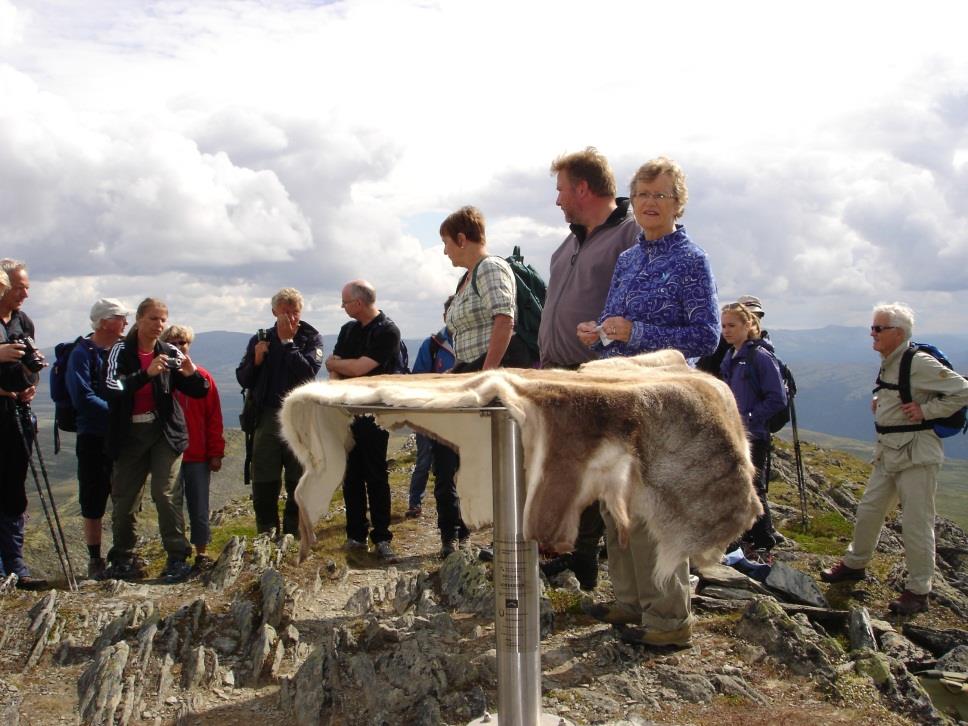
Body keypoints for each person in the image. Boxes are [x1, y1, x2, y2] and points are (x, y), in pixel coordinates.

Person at [576, 157, 720, 647]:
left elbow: (706, 334)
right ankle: (630, 601)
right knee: (615, 504)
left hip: (663, 399)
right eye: (641, 195)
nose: (649, 203)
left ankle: (668, 620)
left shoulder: (691, 260)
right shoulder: (628, 259)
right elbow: (613, 321)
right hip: (619, 393)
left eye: (660, 195)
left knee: (654, 512)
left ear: (679, 203)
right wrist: (598, 334)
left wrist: (638, 331)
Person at [821, 303, 968, 615]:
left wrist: (927, 412)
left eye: (878, 328)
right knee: (869, 509)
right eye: (872, 327)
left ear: (898, 333)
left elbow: (962, 389)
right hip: (889, 451)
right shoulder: (891, 360)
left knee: (916, 522)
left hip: (916, 454)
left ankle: (919, 591)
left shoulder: (918, 362)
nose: (871, 334)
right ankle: (855, 564)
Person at [538, 147, 639, 591]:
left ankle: (584, 563)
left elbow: (637, 308)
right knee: (562, 466)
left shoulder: (631, 236)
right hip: (557, 372)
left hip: (598, 373)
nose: (557, 200)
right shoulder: (570, 240)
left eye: (560, 189)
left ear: (582, 187)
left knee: (596, 470)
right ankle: (566, 554)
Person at [432, 206, 531, 559]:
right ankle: (456, 533)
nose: (445, 251)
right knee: (450, 454)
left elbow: (504, 318)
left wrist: (486, 375)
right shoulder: (468, 277)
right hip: (469, 371)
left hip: (486, 374)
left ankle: (504, 538)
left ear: (462, 238)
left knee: (492, 461)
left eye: (447, 243)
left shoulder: (490, 268)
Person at [103, 298, 209, 582]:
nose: (159, 325)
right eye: (153, 319)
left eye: (163, 319)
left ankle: (176, 557)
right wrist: (144, 375)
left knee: (165, 494)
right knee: (125, 499)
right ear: (138, 319)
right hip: (128, 436)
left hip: (164, 433)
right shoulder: (119, 351)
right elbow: (112, 387)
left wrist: (193, 374)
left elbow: (198, 389)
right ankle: (124, 559)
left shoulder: (169, 351)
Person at [236, 288, 323, 538]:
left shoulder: (310, 338)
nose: (290, 317)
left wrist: (287, 343)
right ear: (274, 311)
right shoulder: (261, 338)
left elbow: (308, 373)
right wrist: (256, 359)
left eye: (294, 311)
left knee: (299, 476)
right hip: (266, 416)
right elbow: (244, 378)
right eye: (285, 311)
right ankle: (267, 530)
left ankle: (294, 531)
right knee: (264, 475)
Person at [326, 280, 402, 562]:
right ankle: (356, 535)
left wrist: (336, 366)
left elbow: (358, 368)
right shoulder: (348, 330)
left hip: (374, 413)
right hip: (348, 411)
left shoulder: (387, 331)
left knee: (376, 474)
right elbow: (338, 368)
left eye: (345, 302)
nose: (342, 307)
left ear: (358, 303)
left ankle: (382, 537)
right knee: (352, 475)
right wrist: (335, 381)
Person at [66, 298, 129, 579]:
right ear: (104, 322)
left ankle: (120, 554)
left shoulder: (121, 350)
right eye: (120, 317)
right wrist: (115, 413)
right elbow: (81, 396)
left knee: (124, 495)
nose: (126, 323)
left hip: (116, 434)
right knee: (92, 498)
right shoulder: (81, 354)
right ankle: (95, 559)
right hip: (93, 435)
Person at [719, 302, 787, 552]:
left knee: (750, 485)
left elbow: (777, 398)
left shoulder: (759, 356)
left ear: (749, 325)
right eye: (724, 325)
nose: (726, 331)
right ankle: (744, 538)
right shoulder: (731, 355)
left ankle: (763, 538)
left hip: (754, 435)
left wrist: (747, 417)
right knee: (739, 484)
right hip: (736, 434)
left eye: (732, 326)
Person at [161, 324, 224, 571]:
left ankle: (202, 553)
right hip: (169, 452)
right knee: (170, 505)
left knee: (199, 505)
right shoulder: (162, 376)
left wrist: (216, 452)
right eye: (173, 343)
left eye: (182, 343)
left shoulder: (204, 377)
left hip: (198, 453)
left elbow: (214, 417)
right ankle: (176, 554)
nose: (178, 347)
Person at [0, 260, 46, 589]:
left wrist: (31, 384)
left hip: (15, 412)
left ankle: (14, 563)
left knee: (14, 486)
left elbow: (29, 364)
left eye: (27, 287)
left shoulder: (22, 321)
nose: (25, 294)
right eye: (19, 287)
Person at [405, 296, 456, 519]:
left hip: (459, 415)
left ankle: (460, 509)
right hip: (430, 412)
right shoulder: (433, 344)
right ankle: (415, 502)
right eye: (450, 314)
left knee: (456, 465)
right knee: (424, 460)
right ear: (445, 316)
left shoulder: (471, 341)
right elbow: (419, 377)